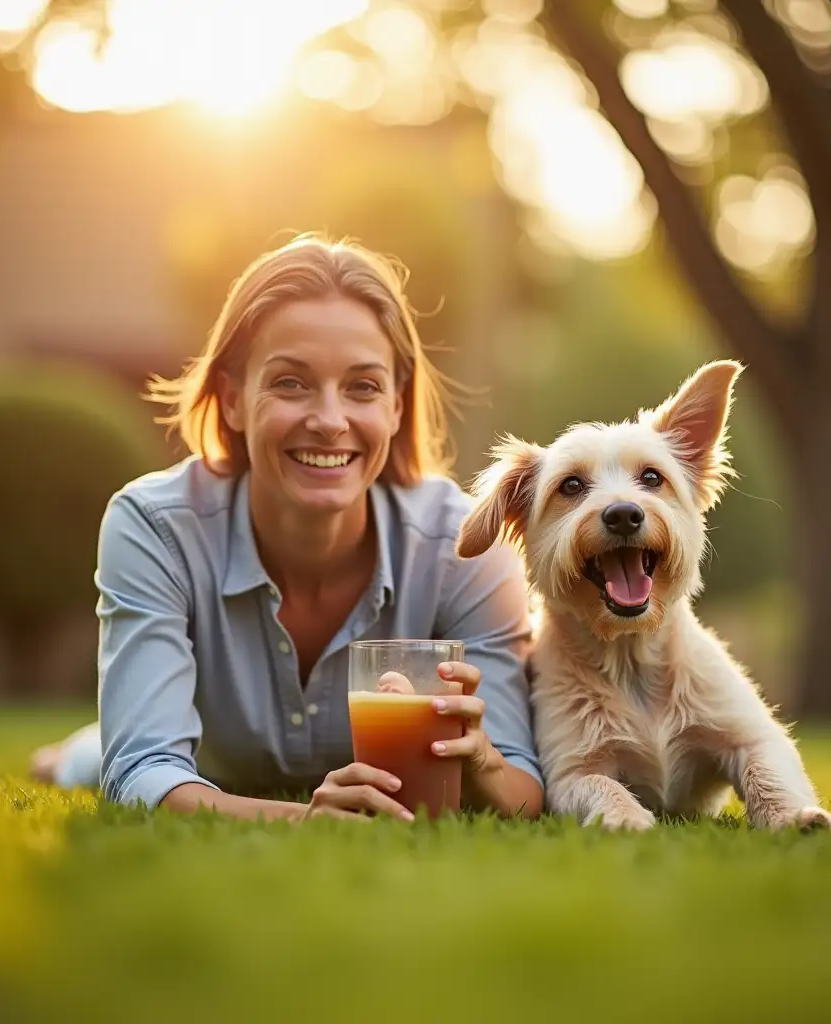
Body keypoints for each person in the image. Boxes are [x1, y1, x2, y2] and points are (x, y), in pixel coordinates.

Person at [30, 234, 543, 823]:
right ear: (230, 399)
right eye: (291, 383)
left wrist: (483, 761)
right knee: (99, 759)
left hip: (219, 761)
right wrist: (304, 821)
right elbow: (143, 771)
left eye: (363, 386)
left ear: (397, 407)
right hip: (209, 759)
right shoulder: (154, 526)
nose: (329, 420)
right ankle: (72, 754)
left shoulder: (466, 546)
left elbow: (524, 787)